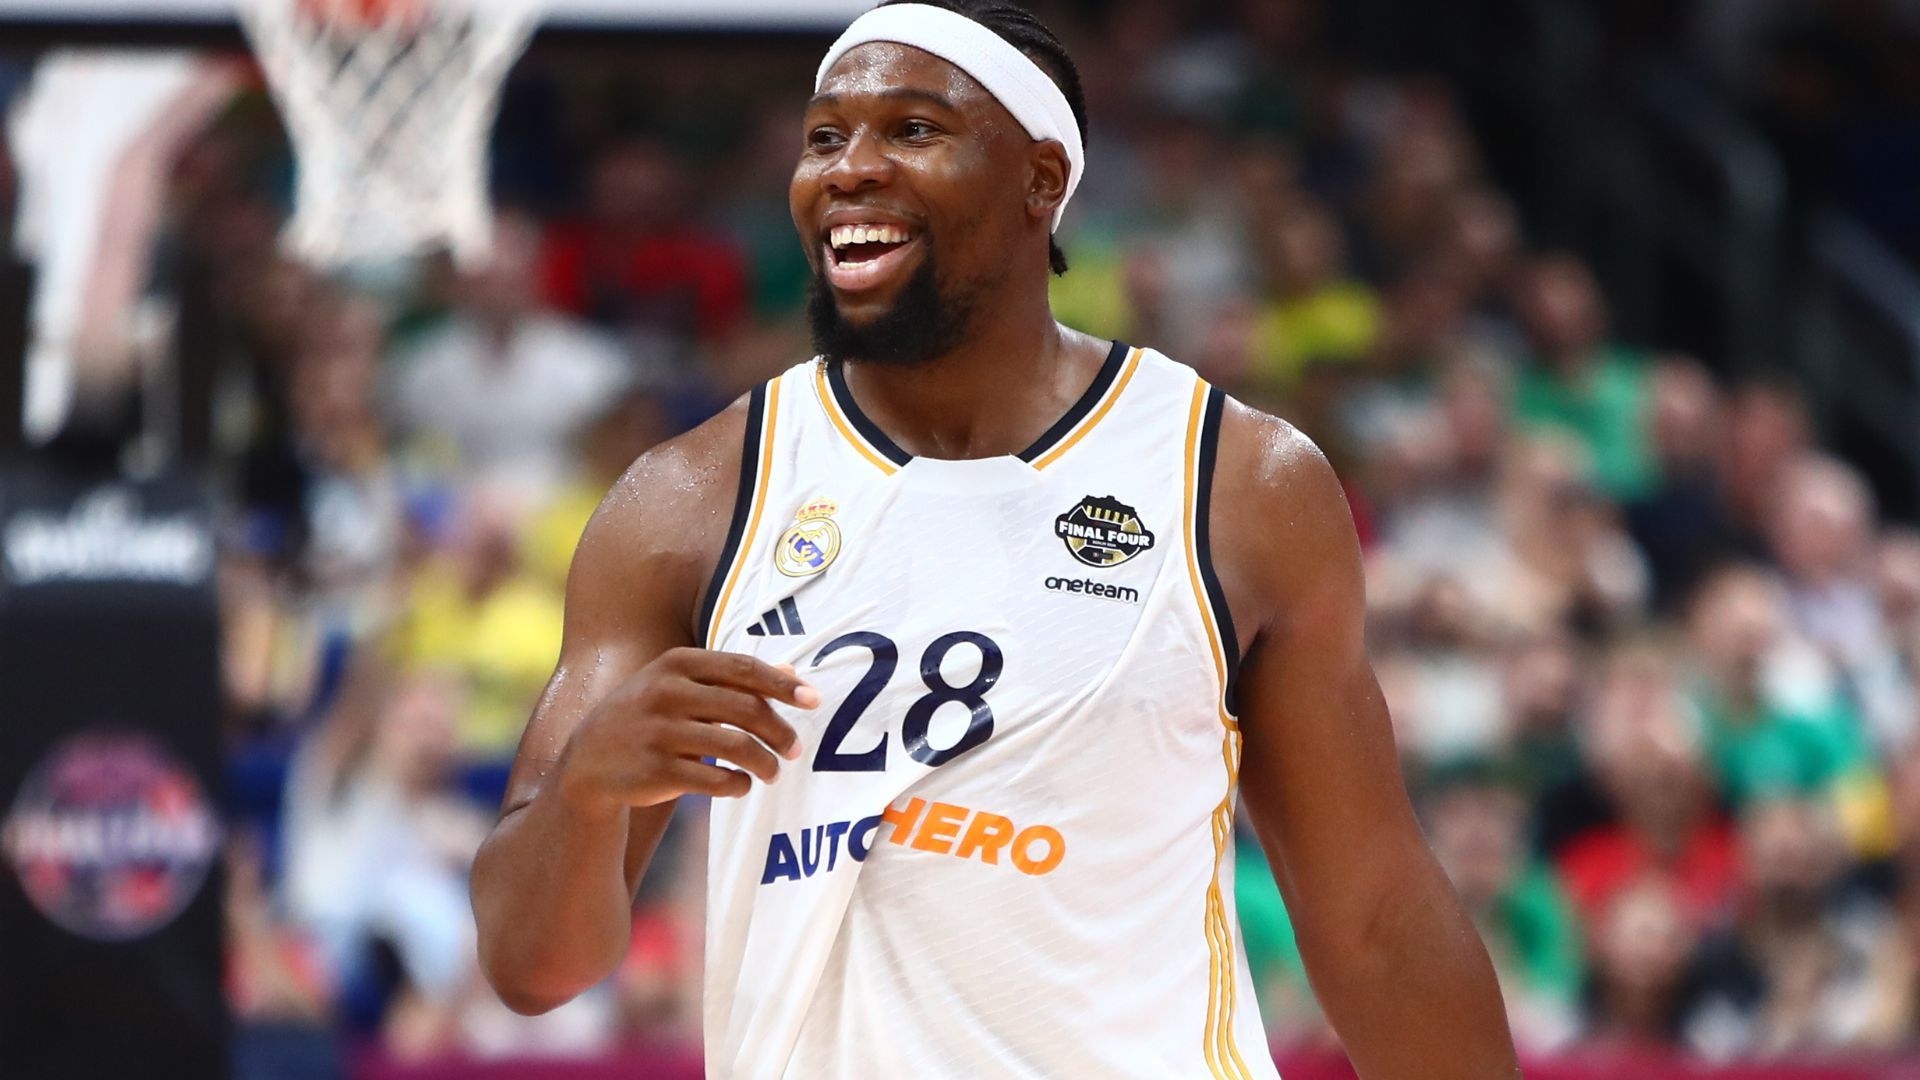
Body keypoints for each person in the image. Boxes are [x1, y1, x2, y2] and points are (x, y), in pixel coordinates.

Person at [470, 3, 1518, 1077]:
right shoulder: (689, 498)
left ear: (1041, 179)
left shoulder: (1235, 480)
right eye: (825, 137)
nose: (850, 168)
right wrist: (585, 791)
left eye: (913, 129)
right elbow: (530, 967)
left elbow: (1376, 923)